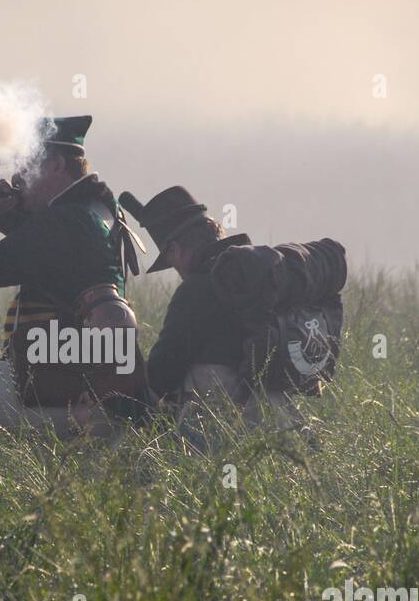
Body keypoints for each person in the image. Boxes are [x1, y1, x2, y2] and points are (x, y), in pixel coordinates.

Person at [0, 116, 145, 476]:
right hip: (93, 388)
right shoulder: (97, 211)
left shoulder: (65, 221)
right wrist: (10, 217)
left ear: (55, 165)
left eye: (27, 164)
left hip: (68, 389)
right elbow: (49, 256)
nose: (19, 177)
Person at [126, 186, 345, 438]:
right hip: (276, 406)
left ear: (175, 250)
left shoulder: (196, 289)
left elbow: (164, 369)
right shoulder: (253, 277)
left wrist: (128, 399)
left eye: (171, 260)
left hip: (223, 417)